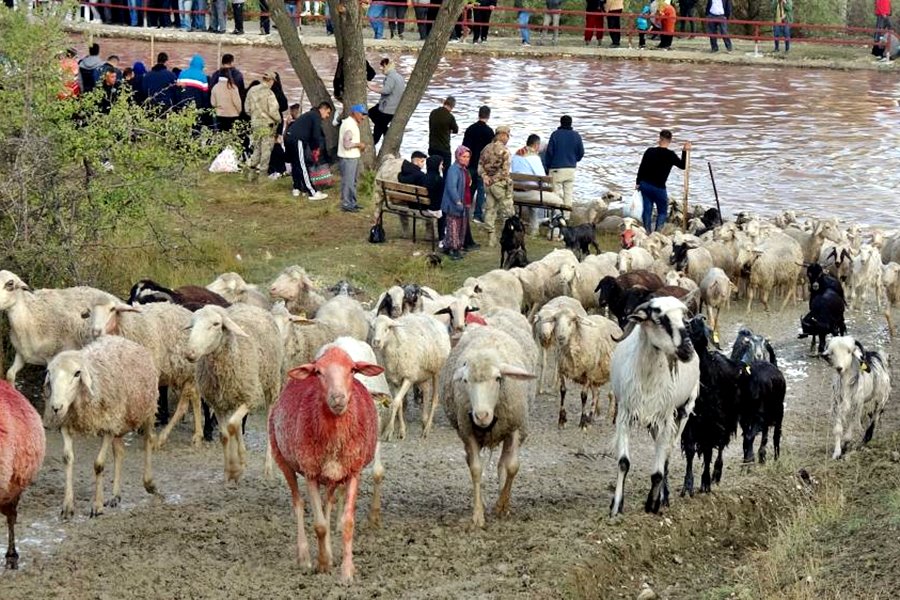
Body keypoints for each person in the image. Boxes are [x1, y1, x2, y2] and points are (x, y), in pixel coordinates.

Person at [635, 129, 690, 232]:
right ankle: (658, 232)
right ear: (670, 141)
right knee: (662, 212)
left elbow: (641, 168)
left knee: (647, 209)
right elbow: (683, 166)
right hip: (659, 187)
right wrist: (685, 151)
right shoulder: (671, 155)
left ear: (660, 139)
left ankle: (647, 232)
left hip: (645, 185)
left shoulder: (649, 151)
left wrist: (638, 182)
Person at [285, 101, 332, 200]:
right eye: (327, 113)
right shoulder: (316, 116)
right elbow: (315, 135)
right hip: (298, 139)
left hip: (289, 137)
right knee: (303, 166)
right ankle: (312, 192)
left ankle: (296, 187)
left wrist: (313, 146)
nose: (327, 116)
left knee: (296, 164)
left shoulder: (310, 115)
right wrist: (316, 148)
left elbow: (310, 135)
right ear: (323, 109)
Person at [477, 125, 513, 248]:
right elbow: (505, 172)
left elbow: (480, 166)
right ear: (503, 135)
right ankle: (509, 236)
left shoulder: (486, 148)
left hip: (487, 184)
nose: (508, 138)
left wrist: (485, 177)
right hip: (499, 185)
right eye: (507, 136)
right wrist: (494, 179)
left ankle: (491, 238)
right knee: (508, 211)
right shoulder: (505, 151)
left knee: (490, 210)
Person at [244, 71, 282, 182]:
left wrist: (255, 117)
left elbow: (247, 109)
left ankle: (251, 173)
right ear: (270, 80)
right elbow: (274, 112)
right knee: (266, 151)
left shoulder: (252, 90)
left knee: (256, 148)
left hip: (255, 124)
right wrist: (279, 120)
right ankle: (262, 176)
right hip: (267, 126)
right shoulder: (270, 94)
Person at [543, 115, 584, 217]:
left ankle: (556, 216)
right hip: (570, 169)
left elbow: (549, 152)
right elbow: (581, 152)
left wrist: (548, 166)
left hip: (556, 168)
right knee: (568, 194)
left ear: (560, 123)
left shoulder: (555, 135)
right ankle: (566, 217)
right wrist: (575, 160)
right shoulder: (576, 135)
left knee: (555, 194)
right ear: (571, 123)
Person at [462, 105, 494, 223]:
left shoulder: (470, 129)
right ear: (488, 116)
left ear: (478, 114)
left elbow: (464, 148)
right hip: (482, 166)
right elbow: (490, 152)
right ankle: (477, 215)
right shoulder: (489, 132)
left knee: (469, 189)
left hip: (470, 164)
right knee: (481, 190)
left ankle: (465, 212)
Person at [441, 146, 473, 260]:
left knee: (461, 226)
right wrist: (457, 201)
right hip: (454, 203)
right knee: (453, 226)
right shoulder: (454, 169)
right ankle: (453, 249)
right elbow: (451, 187)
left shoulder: (464, 169)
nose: (466, 159)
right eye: (463, 156)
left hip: (465, 202)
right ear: (458, 156)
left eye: (468, 157)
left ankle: (454, 246)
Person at [367, 58, 405, 146]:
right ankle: (385, 131)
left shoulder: (391, 77)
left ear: (387, 66)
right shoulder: (399, 77)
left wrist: (371, 88)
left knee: (376, 134)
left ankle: (370, 145)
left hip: (387, 109)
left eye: (383, 66)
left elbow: (386, 90)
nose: (381, 68)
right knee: (371, 112)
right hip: (392, 107)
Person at [338, 104, 368, 212]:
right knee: (348, 182)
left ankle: (353, 202)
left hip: (353, 157)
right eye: (362, 114)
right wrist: (359, 145)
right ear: (355, 113)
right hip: (348, 158)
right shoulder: (349, 125)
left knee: (353, 181)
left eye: (365, 115)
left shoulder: (352, 123)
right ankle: (346, 204)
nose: (363, 117)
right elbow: (347, 144)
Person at [428, 96, 459, 170]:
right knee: (446, 171)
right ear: (452, 106)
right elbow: (456, 130)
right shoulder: (450, 117)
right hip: (444, 148)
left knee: (432, 169)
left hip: (432, 146)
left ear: (444, 103)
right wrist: (449, 130)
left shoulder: (433, 112)